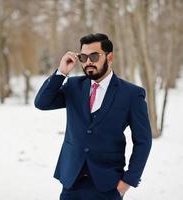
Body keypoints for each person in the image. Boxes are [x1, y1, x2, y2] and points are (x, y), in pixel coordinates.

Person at [34, 33, 152, 200]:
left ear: (109, 57)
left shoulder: (131, 94)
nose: (88, 61)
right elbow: (42, 103)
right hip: (72, 181)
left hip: (108, 185)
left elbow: (143, 141)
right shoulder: (74, 86)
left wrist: (128, 181)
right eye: (83, 57)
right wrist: (61, 72)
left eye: (94, 56)